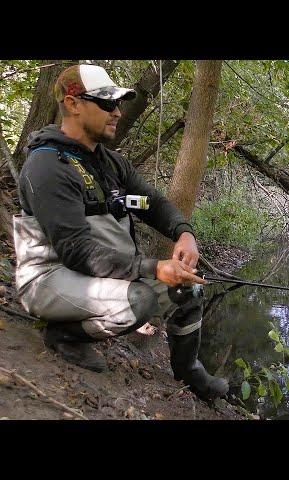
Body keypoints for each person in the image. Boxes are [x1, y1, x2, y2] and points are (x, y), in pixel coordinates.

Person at [12, 64, 229, 401]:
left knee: (189, 289)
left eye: (118, 104)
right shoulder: (46, 167)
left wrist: (183, 232)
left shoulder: (110, 162)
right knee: (139, 301)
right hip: (49, 278)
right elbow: (77, 252)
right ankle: (66, 334)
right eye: (106, 103)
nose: (117, 112)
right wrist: (153, 268)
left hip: (97, 273)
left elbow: (153, 203)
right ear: (72, 103)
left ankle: (189, 371)